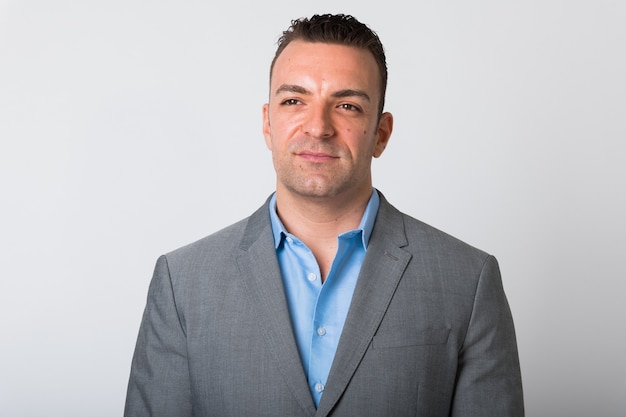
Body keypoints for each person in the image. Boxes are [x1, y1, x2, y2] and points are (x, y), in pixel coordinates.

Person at [124, 13, 524, 417]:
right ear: (268, 123)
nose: (318, 127)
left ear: (380, 134)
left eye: (347, 105)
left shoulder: (468, 281)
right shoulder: (183, 284)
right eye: (294, 101)